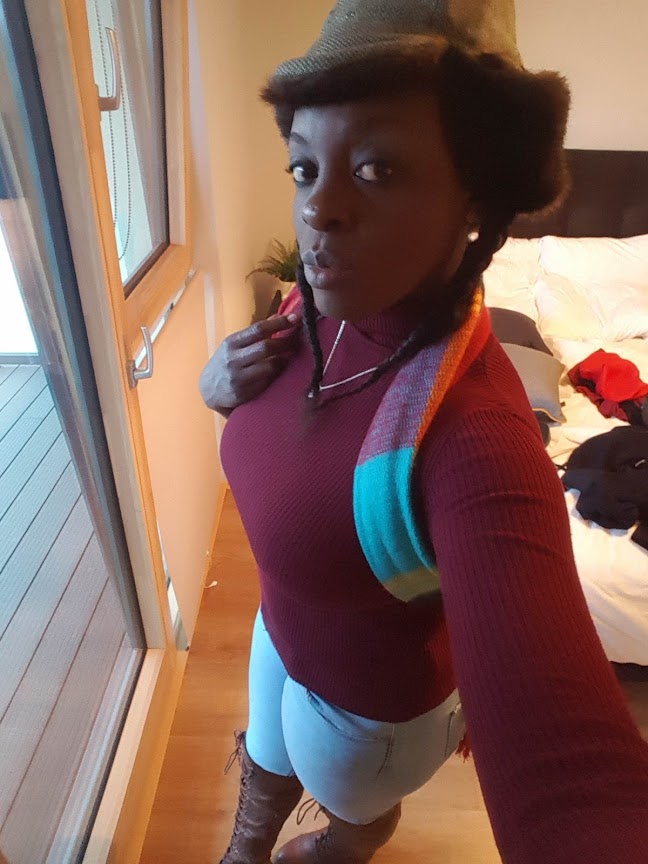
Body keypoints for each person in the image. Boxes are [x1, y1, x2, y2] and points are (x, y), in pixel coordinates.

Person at [199, 1, 648, 862]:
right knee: (265, 764)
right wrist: (218, 391)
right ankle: (249, 844)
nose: (318, 209)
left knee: (349, 808)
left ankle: (347, 844)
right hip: (281, 628)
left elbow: (570, 771)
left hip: (369, 715)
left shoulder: (478, 440)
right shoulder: (308, 307)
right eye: (304, 167)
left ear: (477, 194)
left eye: (376, 169)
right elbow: (294, 453)